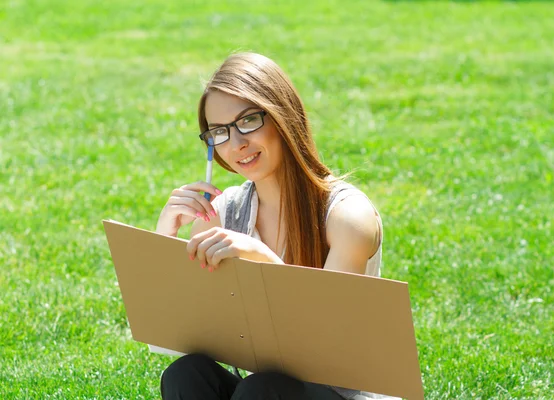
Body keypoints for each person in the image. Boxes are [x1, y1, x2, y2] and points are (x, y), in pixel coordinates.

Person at [155, 52, 383, 400]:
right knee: (186, 374)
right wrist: (164, 242)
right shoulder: (223, 212)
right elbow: (178, 344)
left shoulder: (347, 217)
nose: (236, 144)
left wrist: (263, 259)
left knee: (262, 388)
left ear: (282, 117)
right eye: (219, 132)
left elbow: (325, 351)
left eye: (248, 121)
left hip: (336, 392)